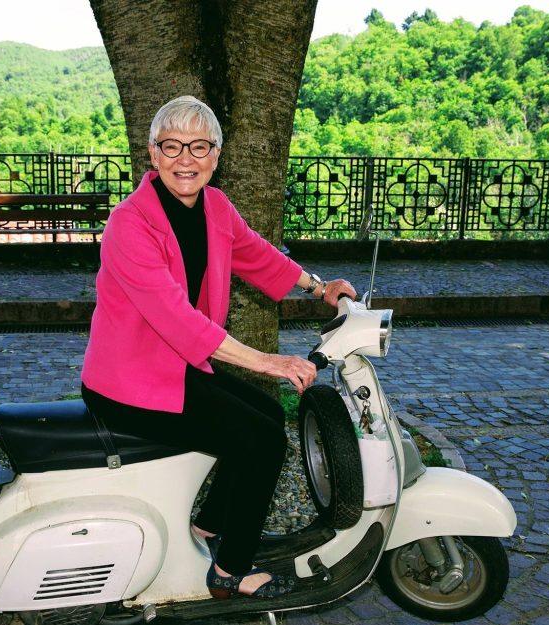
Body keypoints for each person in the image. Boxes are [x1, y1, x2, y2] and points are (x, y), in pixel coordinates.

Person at [80, 95, 356, 599]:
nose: (185, 159)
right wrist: (268, 361)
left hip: (175, 369)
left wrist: (320, 288)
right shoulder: (130, 223)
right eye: (172, 146)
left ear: (216, 154)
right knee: (262, 440)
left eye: (199, 146)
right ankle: (230, 571)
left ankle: (207, 527)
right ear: (152, 153)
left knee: (268, 415)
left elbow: (258, 255)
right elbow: (176, 319)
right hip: (130, 383)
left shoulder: (215, 207)